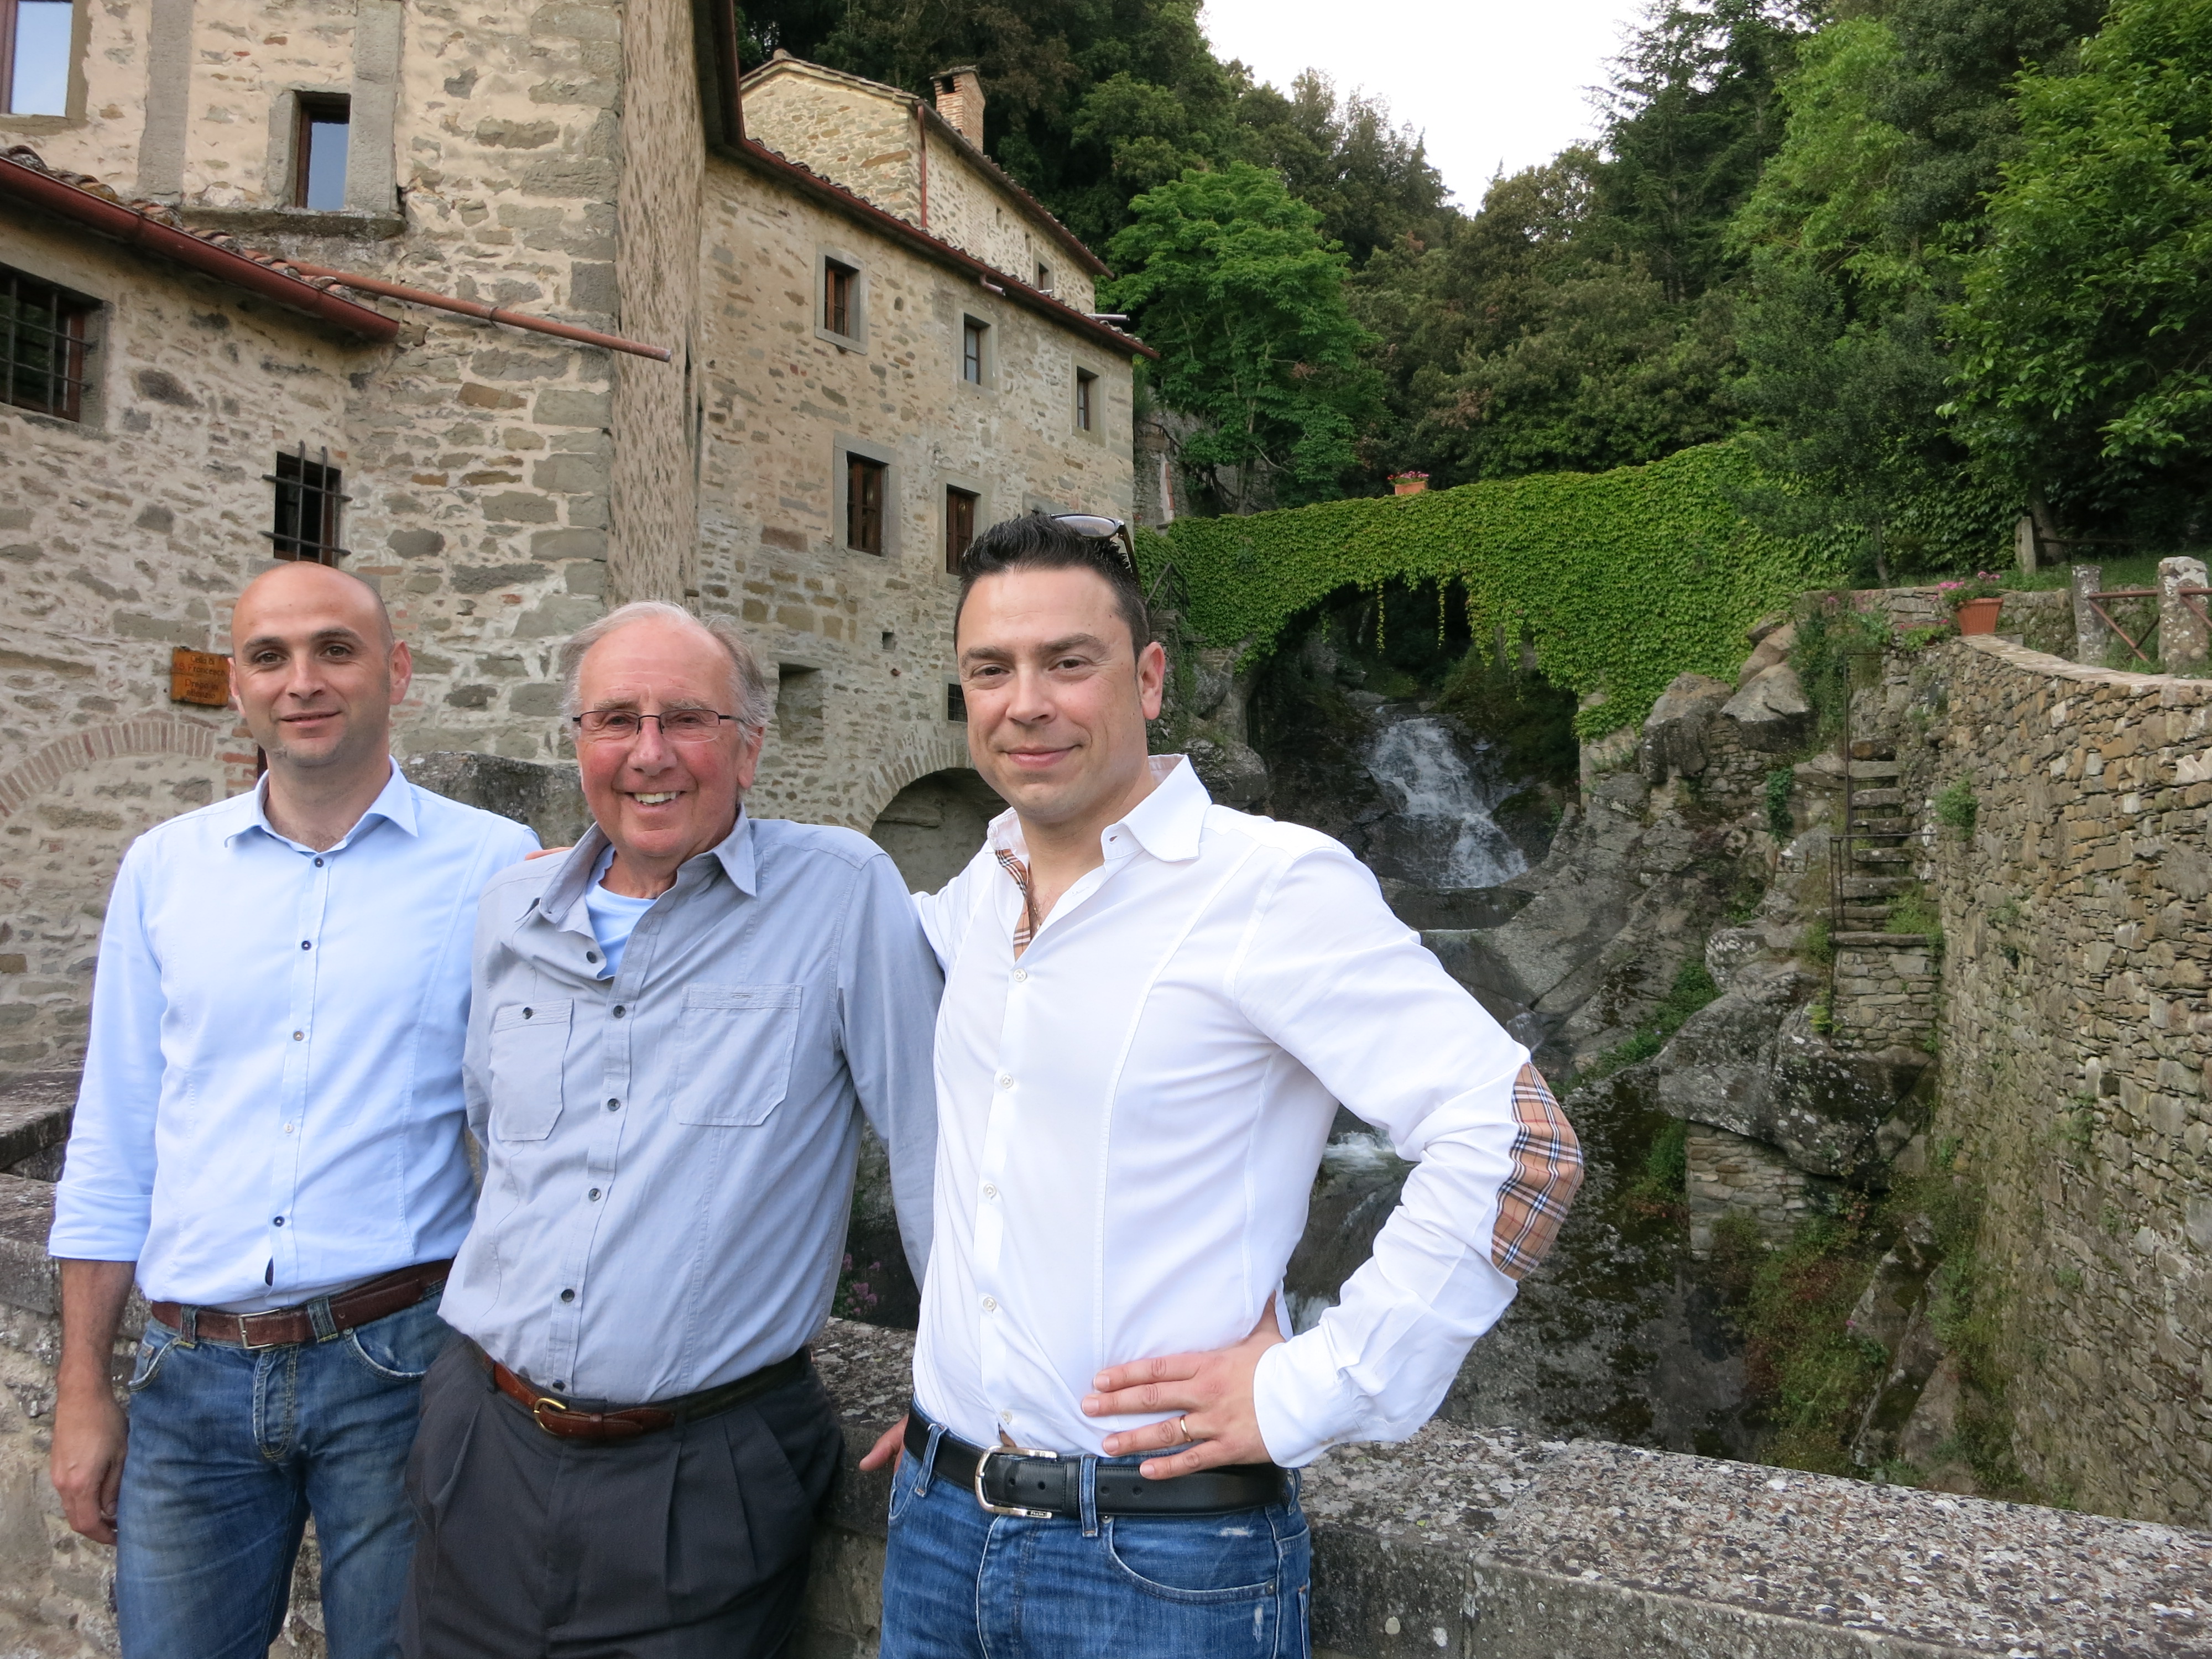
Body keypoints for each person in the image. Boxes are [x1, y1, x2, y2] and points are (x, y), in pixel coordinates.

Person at [863, 514, 1585, 1658]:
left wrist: (1315, 1386)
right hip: (938, 1522)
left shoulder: (1267, 885)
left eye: (1068, 662)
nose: (1025, 703)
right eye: (990, 671)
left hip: (1160, 1560)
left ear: (1149, 679)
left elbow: (1521, 1142)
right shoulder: (980, 891)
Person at [401, 601, 940, 1658]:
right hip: (483, 1444)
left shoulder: (839, 893)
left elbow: (931, 1147)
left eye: (686, 719)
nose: (649, 753)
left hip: (707, 1472)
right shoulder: (512, 910)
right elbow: (494, 1140)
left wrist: (954, 1383)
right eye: (616, 720)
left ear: (750, 746)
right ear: (579, 743)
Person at [46, 561, 542, 1659]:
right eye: (269, 657)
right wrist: (83, 1385)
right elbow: (115, 1132)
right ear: (237, 684)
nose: (302, 680)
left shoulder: (495, 866)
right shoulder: (165, 869)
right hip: (188, 1373)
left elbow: (529, 1128)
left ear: (395, 673)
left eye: (335, 650)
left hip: (400, 1364)